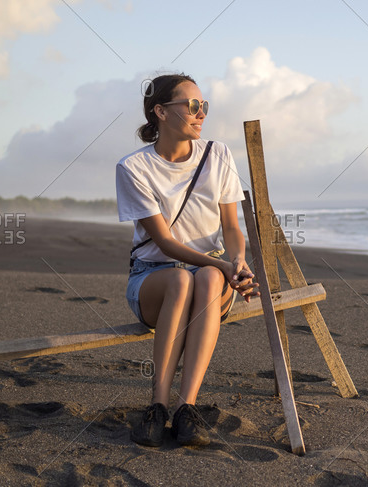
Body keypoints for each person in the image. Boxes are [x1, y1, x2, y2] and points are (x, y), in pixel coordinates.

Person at [116, 73, 259, 448]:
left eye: (204, 106)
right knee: (181, 280)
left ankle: (186, 408)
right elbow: (163, 241)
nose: (201, 114)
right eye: (192, 106)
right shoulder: (133, 168)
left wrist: (237, 262)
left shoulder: (218, 154)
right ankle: (157, 406)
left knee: (208, 279)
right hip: (153, 279)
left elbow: (231, 227)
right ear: (160, 112)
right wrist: (222, 265)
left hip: (211, 277)